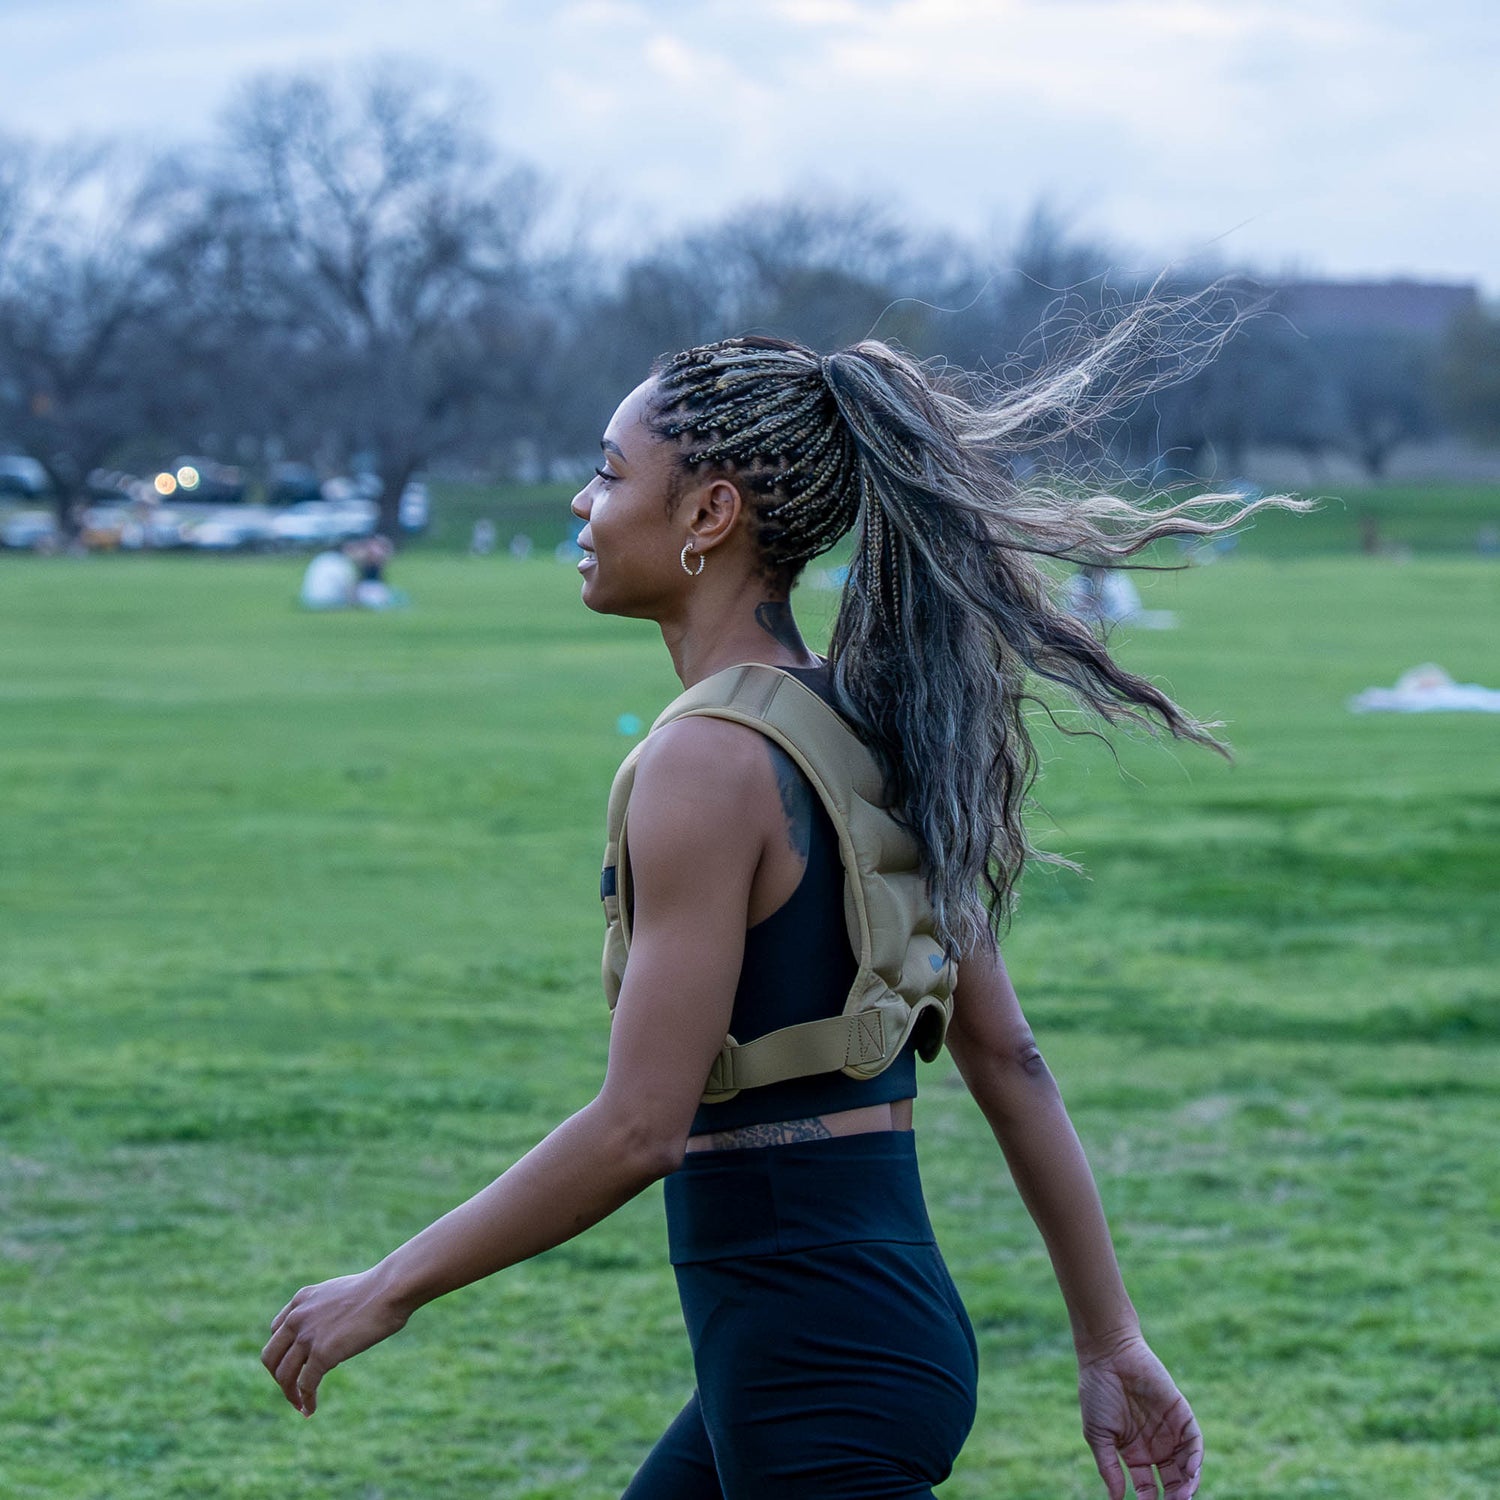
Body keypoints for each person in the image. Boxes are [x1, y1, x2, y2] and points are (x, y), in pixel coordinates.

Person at [263, 333, 1298, 1497]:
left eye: (608, 472)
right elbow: (1011, 1057)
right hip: (838, 1342)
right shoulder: (869, 727)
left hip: (818, 1367)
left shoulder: (707, 763)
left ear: (707, 513)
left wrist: (386, 1286)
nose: (580, 501)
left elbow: (639, 1129)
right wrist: (1110, 1339)